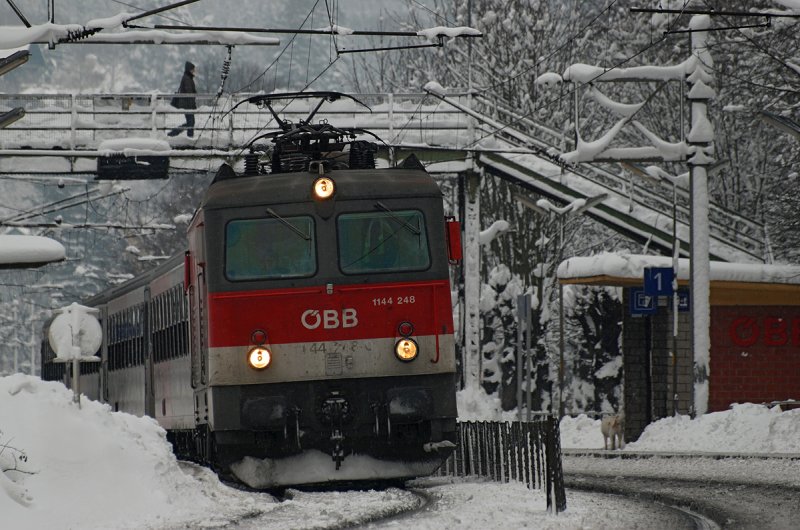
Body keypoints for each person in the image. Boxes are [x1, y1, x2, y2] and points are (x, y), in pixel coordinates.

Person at [168, 61, 197, 137]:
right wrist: (194, 94)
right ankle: (173, 133)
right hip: (188, 105)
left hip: (188, 104)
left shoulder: (188, 77)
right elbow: (189, 92)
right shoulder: (187, 78)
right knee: (190, 123)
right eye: (192, 69)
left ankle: (189, 136)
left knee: (191, 122)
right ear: (189, 69)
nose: (194, 71)